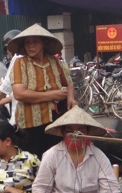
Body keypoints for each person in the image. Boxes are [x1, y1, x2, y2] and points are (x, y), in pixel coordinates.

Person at [8, 24, 77, 158]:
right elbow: (19, 93)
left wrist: (70, 99)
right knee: (34, 163)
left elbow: (68, 83)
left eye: (35, 42)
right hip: (30, 124)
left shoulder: (55, 61)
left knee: (57, 160)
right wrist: (52, 95)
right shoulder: (20, 63)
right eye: (27, 42)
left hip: (56, 122)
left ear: (44, 43)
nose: (30, 46)